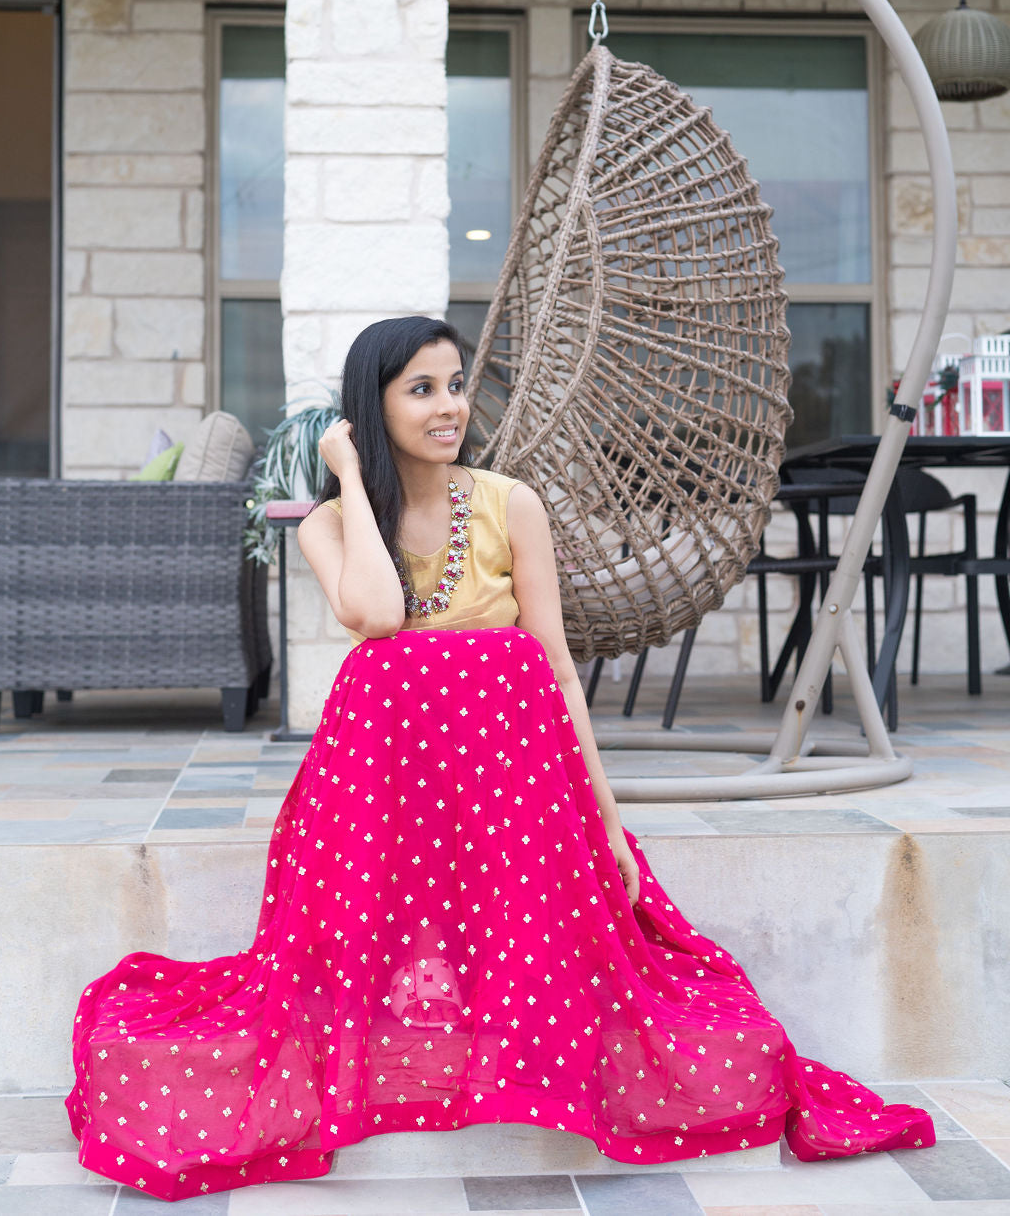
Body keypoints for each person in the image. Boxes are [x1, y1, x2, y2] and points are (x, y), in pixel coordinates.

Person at [66, 315, 934, 1203]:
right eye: (422, 389)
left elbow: (556, 657)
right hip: (386, 777)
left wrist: (604, 814)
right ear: (373, 407)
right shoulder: (329, 523)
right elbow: (376, 613)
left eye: (454, 385)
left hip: (511, 771)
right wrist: (354, 478)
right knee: (388, 668)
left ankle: (507, 1051)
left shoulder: (510, 500)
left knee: (562, 927)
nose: (449, 407)